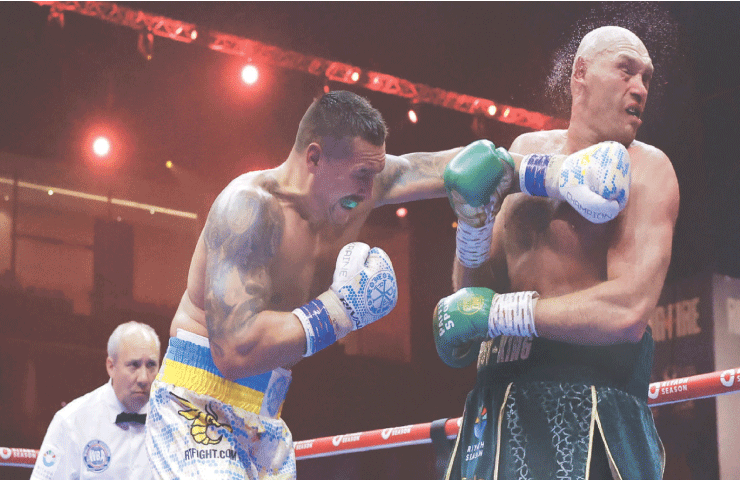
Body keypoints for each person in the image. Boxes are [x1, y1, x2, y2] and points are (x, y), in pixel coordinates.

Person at [146, 90, 503, 479]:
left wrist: (551, 170)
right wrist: (339, 310)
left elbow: (454, 167)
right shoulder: (249, 209)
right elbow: (233, 350)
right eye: (361, 175)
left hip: (265, 413)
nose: (370, 190)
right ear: (314, 157)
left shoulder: (354, 188)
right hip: (198, 404)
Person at [433, 26, 679, 479]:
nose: (640, 87)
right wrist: (471, 225)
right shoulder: (525, 151)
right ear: (581, 72)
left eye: (646, 76)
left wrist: (502, 315)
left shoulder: (648, 169)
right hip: (496, 406)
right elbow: (475, 297)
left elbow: (626, 312)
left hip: (590, 406)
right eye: (626, 71)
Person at [31, 321, 161, 479]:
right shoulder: (71, 422)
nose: (144, 378)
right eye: (134, 365)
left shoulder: (171, 422)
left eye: (151, 365)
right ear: (111, 367)